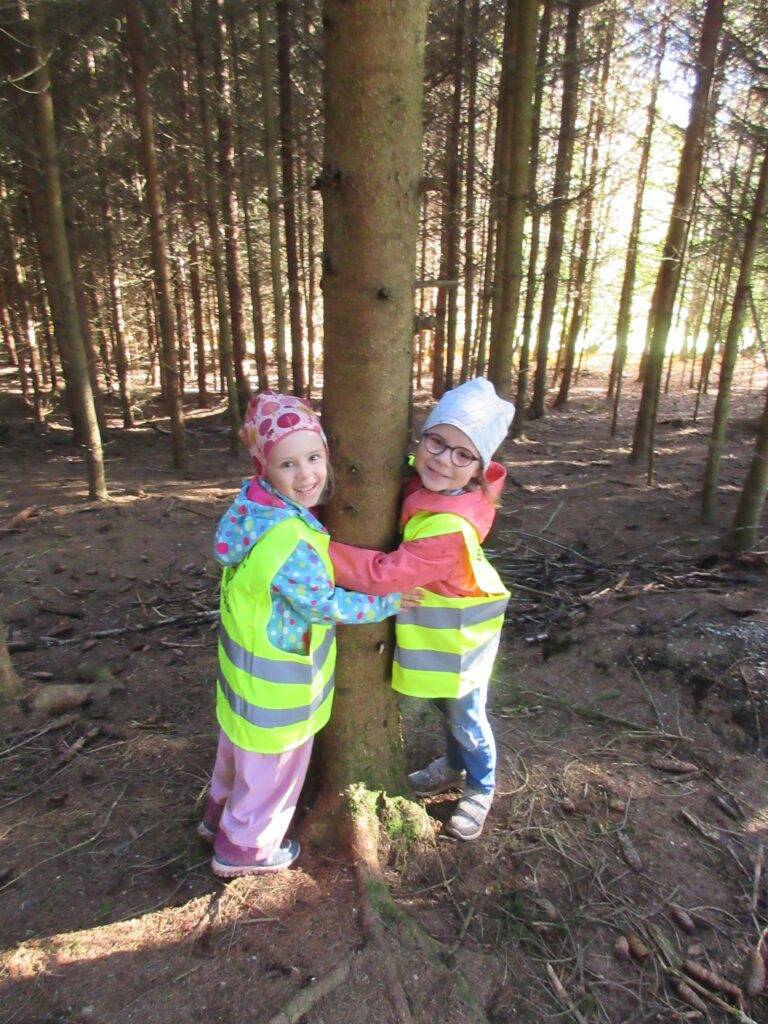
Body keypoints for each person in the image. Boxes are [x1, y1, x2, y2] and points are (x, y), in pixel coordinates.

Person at [199, 391, 420, 878]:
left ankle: (218, 817)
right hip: (278, 691)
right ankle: (243, 849)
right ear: (265, 469)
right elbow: (327, 606)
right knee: (274, 771)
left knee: (237, 755)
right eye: (288, 464)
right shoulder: (291, 543)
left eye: (314, 457)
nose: (306, 475)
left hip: (243, 679)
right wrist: (386, 602)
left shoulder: (253, 511)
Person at [330, 377, 514, 841]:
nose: (442, 459)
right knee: (444, 705)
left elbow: (381, 575)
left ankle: (480, 786)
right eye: (437, 441)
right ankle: (453, 766)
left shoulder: (448, 529)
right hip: (438, 627)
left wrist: (317, 550)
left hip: (460, 635)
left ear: (478, 469)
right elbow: (416, 473)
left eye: (462, 454)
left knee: (466, 713)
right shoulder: (437, 485)